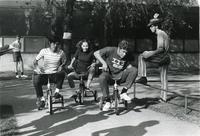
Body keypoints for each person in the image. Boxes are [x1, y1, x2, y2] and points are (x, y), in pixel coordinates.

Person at [94, 40, 138, 111]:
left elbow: (128, 66)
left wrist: (132, 74)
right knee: (102, 77)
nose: (124, 54)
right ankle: (107, 101)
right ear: (118, 48)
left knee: (134, 70)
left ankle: (123, 92)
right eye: (123, 52)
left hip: (120, 76)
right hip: (109, 75)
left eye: (125, 52)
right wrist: (104, 63)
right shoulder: (110, 50)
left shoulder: (127, 55)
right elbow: (96, 53)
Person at [136, 13, 170, 85]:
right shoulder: (163, 33)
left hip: (162, 57)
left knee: (141, 56)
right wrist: (155, 18)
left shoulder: (160, 34)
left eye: (151, 26)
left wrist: (149, 53)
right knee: (163, 79)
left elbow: (161, 49)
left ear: (156, 26)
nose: (150, 28)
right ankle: (163, 96)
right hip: (165, 57)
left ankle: (143, 77)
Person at [33, 37, 66, 109]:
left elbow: (64, 61)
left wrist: (61, 66)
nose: (55, 46)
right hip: (45, 74)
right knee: (35, 77)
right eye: (53, 44)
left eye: (57, 44)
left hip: (54, 74)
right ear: (50, 44)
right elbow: (35, 61)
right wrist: (37, 68)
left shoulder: (61, 52)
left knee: (62, 73)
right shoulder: (44, 51)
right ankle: (41, 98)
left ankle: (57, 92)